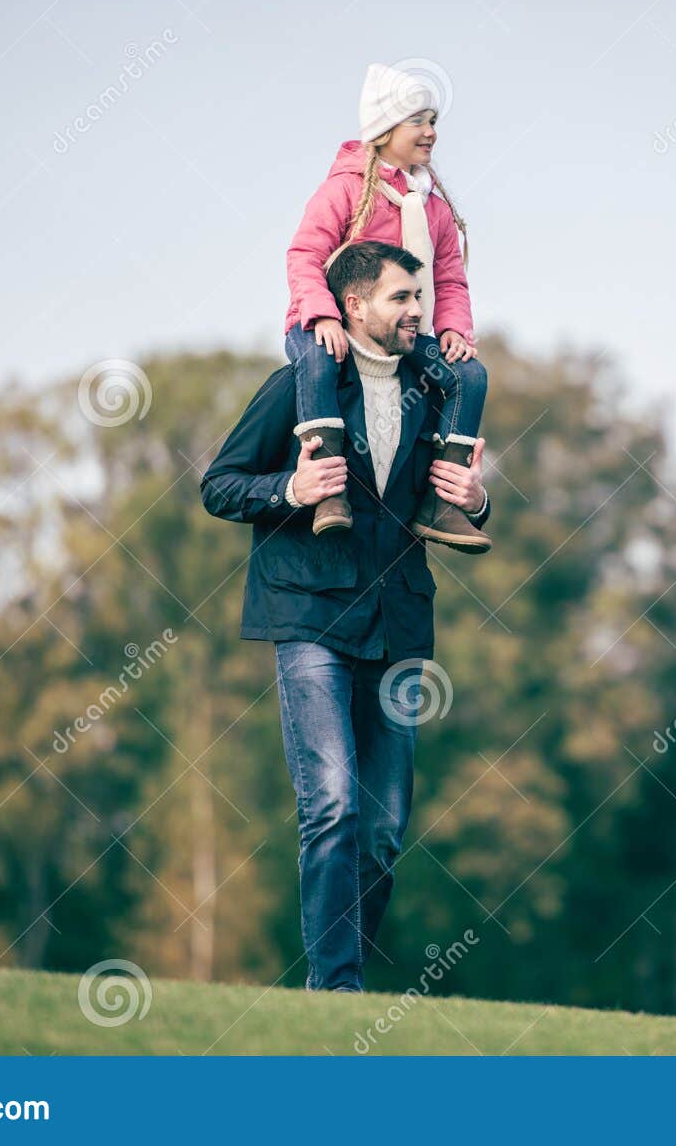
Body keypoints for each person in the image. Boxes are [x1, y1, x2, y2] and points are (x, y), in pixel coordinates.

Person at [201, 241, 492, 991]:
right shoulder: (301, 386)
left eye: (420, 299)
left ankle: (342, 976)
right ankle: (335, 988)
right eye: (401, 299)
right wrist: (291, 491)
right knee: (331, 803)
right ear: (354, 305)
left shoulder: (434, 391)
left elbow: (450, 499)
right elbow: (220, 484)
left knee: (386, 831)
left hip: (398, 627)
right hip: (308, 620)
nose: (418, 313)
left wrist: (476, 499)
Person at [283, 62, 490, 553]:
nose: (430, 132)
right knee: (316, 361)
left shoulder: (433, 208)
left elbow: (449, 279)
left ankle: (445, 502)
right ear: (384, 129)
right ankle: (328, 494)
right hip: (327, 323)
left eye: (434, 121)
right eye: (418, 120)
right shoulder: (347, 190)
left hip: (399, 332)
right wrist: (323, 314)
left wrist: (454, 329)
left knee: (470, 375)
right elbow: (304, 254)